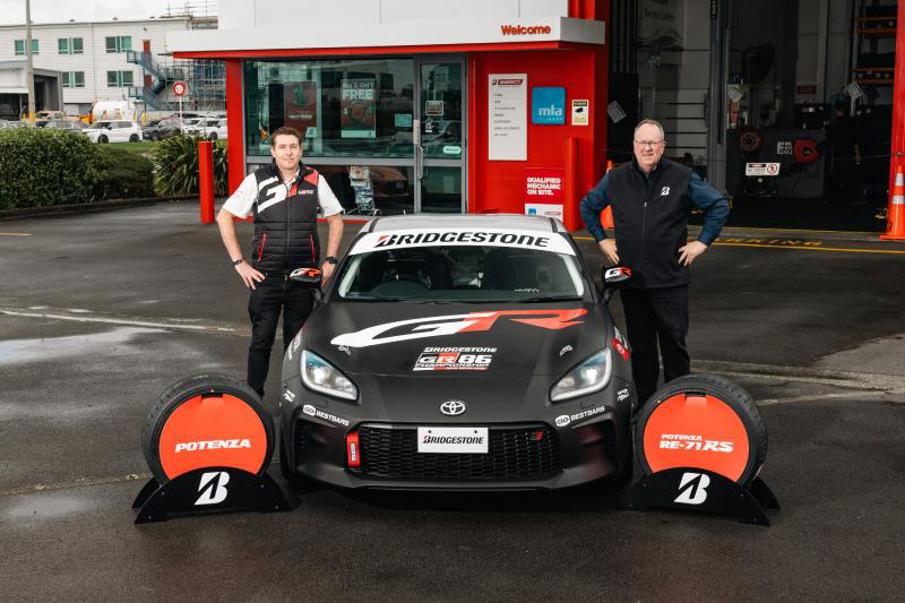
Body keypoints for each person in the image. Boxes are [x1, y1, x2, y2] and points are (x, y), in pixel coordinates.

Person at [580, 119, 730, 406]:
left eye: (653, 142)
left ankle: (679, 403)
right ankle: (647, 406)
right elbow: (588, 206)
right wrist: (602, 240)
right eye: (642, 142)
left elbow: (719, 204)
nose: (647, 147)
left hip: (670, 281)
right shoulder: (616, 178)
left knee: (674, 345)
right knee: (642, 347)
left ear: (663, 147)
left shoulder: (682, 176)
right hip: (633, 281)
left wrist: (702, 243)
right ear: (634, 146)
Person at [216, 126, 344, 398]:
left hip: (303, 276)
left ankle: (295, 399)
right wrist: (239, 263)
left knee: (296, 344)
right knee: (260, 341)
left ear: (301, 150)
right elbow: (224, 216)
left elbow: (336, 219)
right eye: (283, 147)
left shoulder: (314, 179)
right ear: (273, 151)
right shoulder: (257, 180)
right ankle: (254, 399)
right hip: (265, 276)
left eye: (293, 147)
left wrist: (330, 260)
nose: (289, 152)